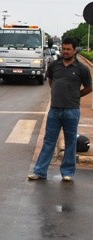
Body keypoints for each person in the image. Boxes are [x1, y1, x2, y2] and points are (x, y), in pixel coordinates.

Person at [28, 37, 92, 182]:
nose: (65, 51)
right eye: (64, 49)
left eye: (69, 49)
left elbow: (89, 87)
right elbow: (51, 82)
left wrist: (76, 96)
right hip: (55, 110)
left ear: (75, 50)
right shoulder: (54, 65)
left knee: (71, 142)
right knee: (49, 141)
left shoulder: (82, 69)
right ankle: (40, 171)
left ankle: (67, 172)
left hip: (72, 110)